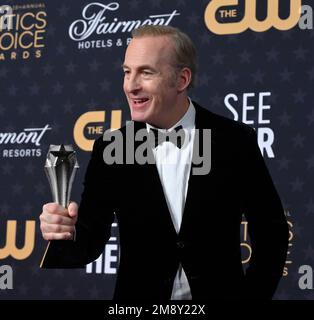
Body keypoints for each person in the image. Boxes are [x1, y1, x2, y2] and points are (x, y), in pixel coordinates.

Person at [40, 25, 289, 300]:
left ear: (181, 80)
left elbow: (272, 234)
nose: (131, 85)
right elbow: (88, 243)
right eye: (127, 72)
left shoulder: (234, 140)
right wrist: (64, 231)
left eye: (146, 72)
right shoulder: (111, 147)